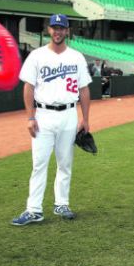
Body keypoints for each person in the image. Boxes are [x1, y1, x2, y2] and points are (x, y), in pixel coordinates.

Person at [11, 14, 91, 226]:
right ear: (49, 30)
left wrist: (85, 119)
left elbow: (84, 89)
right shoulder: (37, 56)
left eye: (61, 28)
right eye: (54, 28)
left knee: (65, 163)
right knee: (39, 164)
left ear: (67, 31)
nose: (57, 31)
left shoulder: (77, 57)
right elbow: (28, 87)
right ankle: (34, 210)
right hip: (43, 115)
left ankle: (62, 203)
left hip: (68, 115)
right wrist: (30, 117)